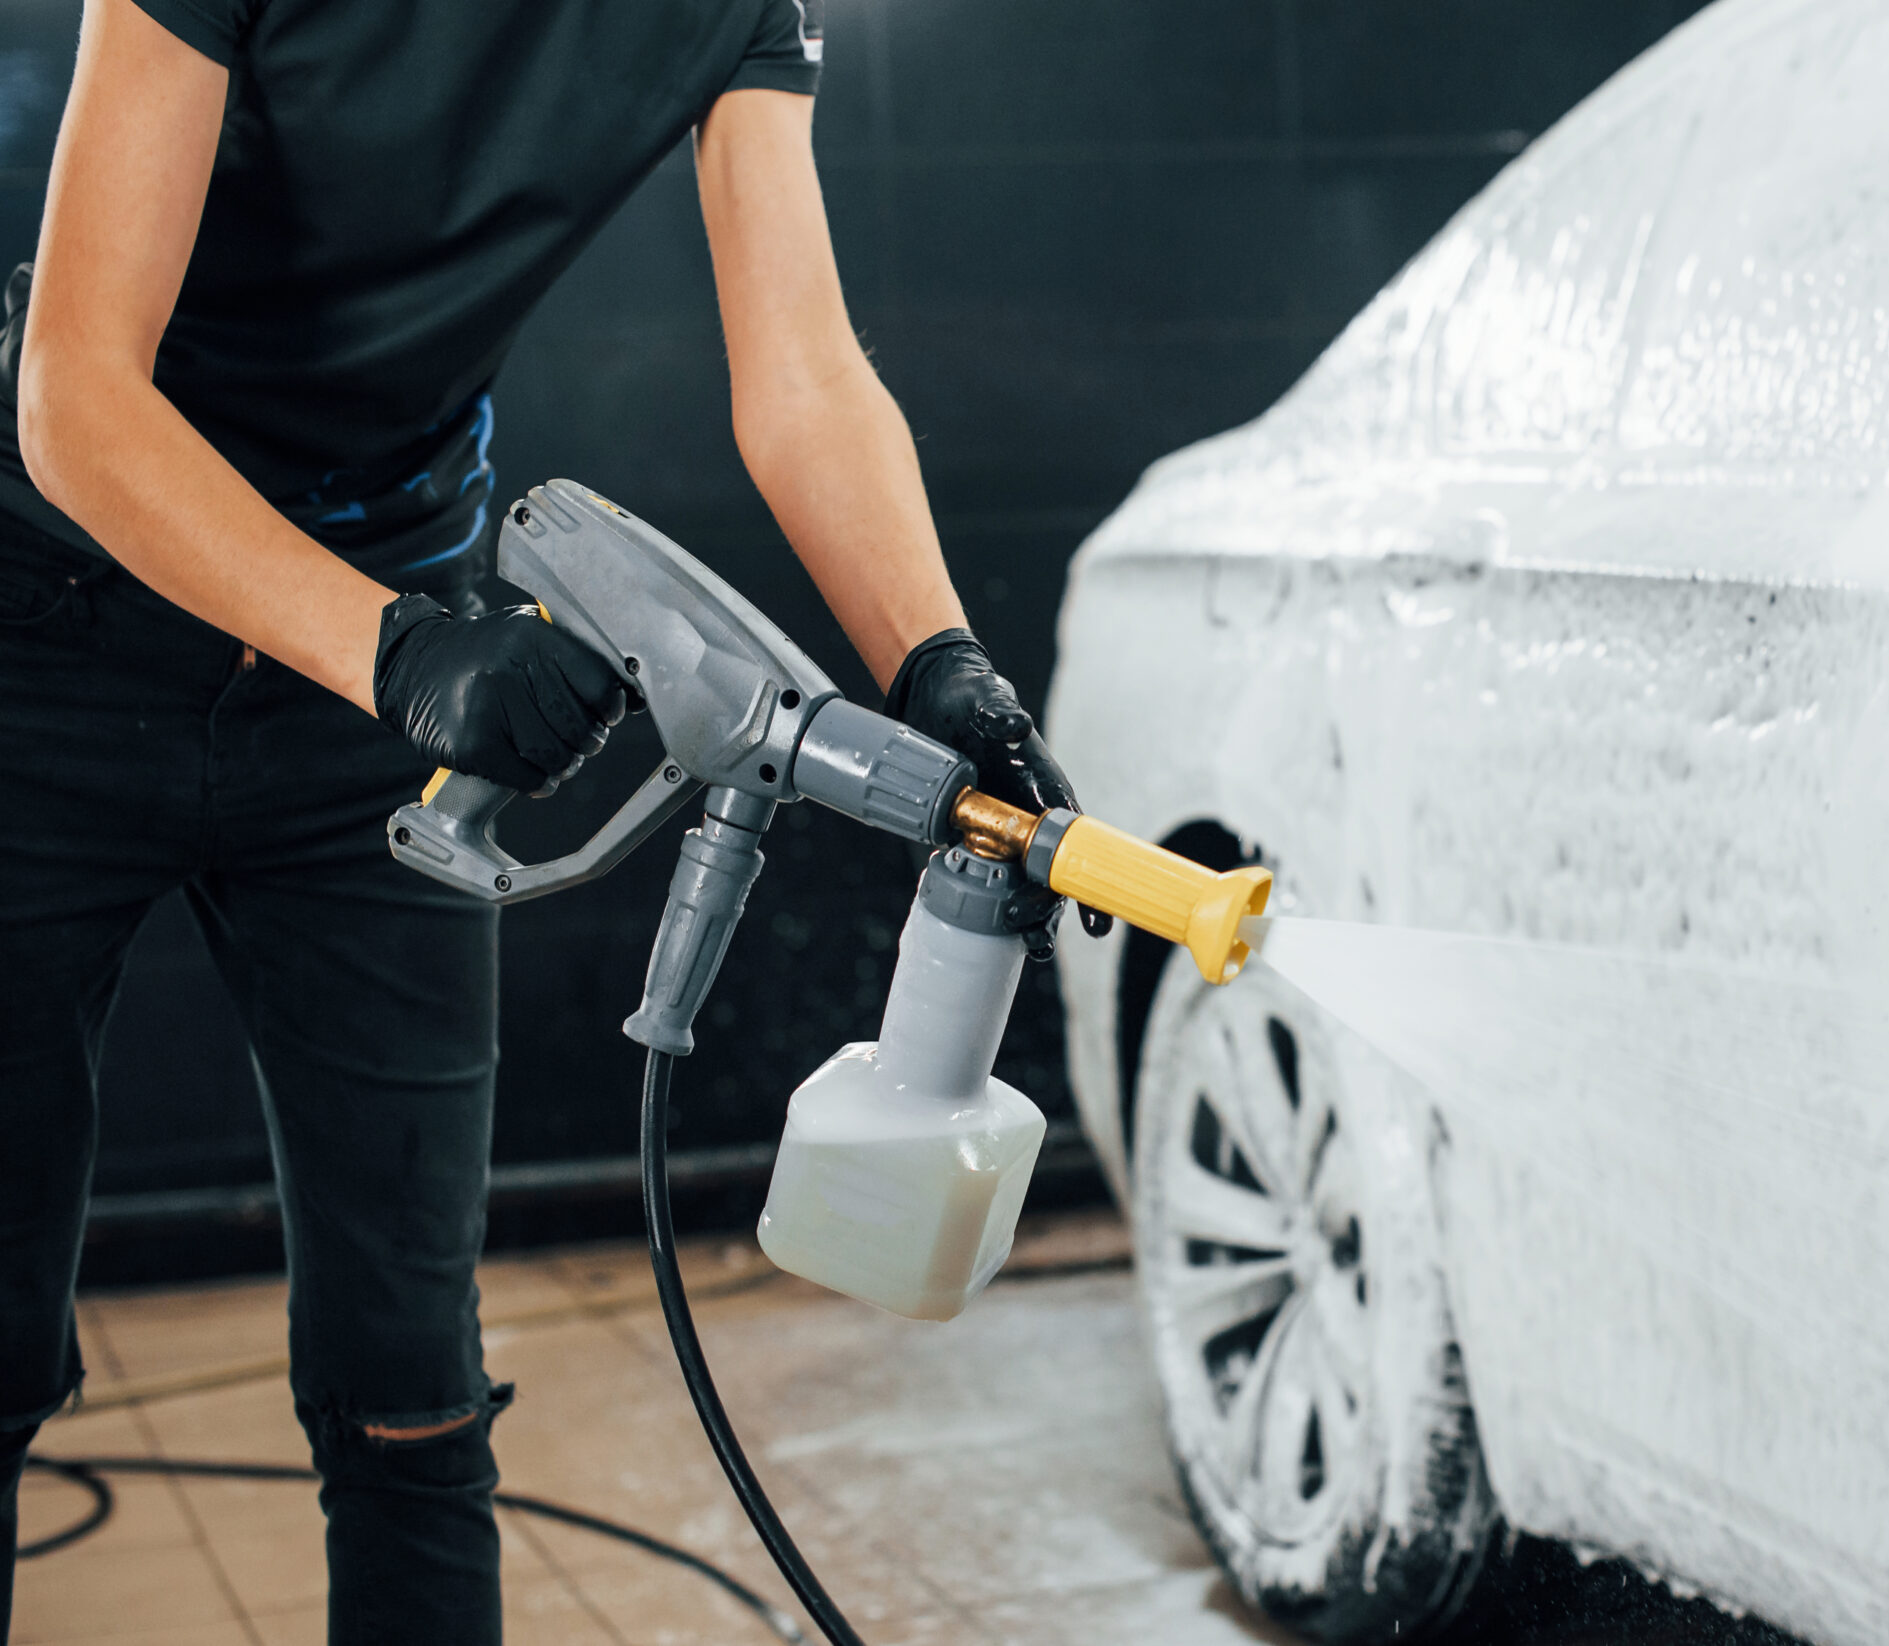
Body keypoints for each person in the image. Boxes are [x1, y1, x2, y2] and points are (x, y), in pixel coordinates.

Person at [0, 0, 1094, 1637]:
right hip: (49, 640)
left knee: (412, 1391)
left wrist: (936, 660)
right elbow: (76, 391)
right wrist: (399, 653)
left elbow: (799, 371)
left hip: (382, 664)